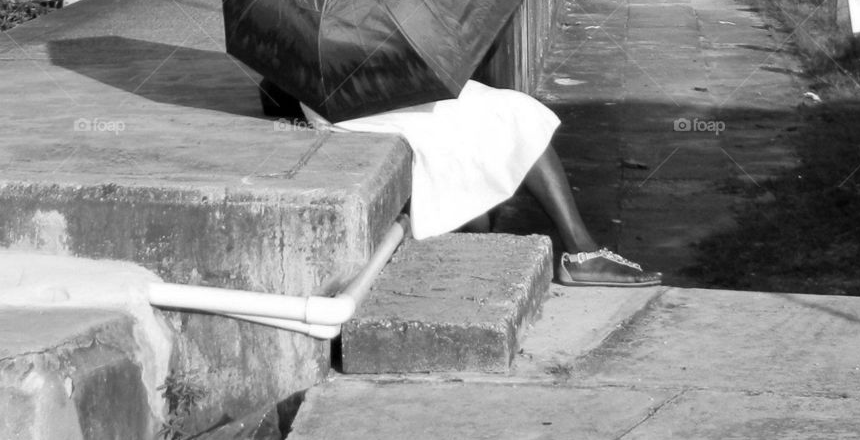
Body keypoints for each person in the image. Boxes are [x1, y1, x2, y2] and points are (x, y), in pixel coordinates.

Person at [262, 77, 660, 287]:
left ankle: (570, 248)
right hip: (344, 100)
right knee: (495, 118)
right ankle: (582, 251)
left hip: (381, 83)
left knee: (508, 107)